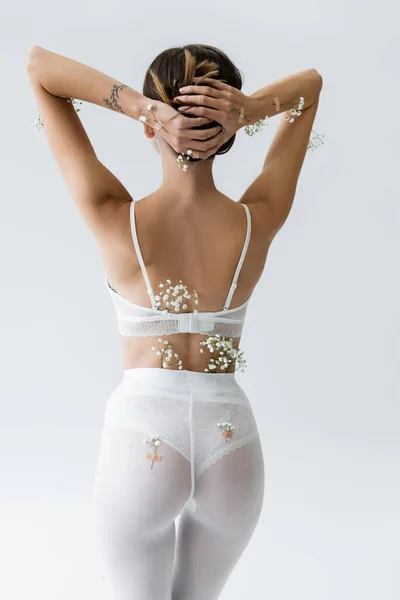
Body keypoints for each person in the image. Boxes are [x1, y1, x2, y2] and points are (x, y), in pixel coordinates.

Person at [26, 43, 323, 600]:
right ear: (230, 132)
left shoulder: (113, 213)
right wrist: (252, 109)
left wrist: (144, 108)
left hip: (144, 436)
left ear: (152, 127)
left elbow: (40, 70)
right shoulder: (255, 221)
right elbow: (310, 85)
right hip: (232, 441)